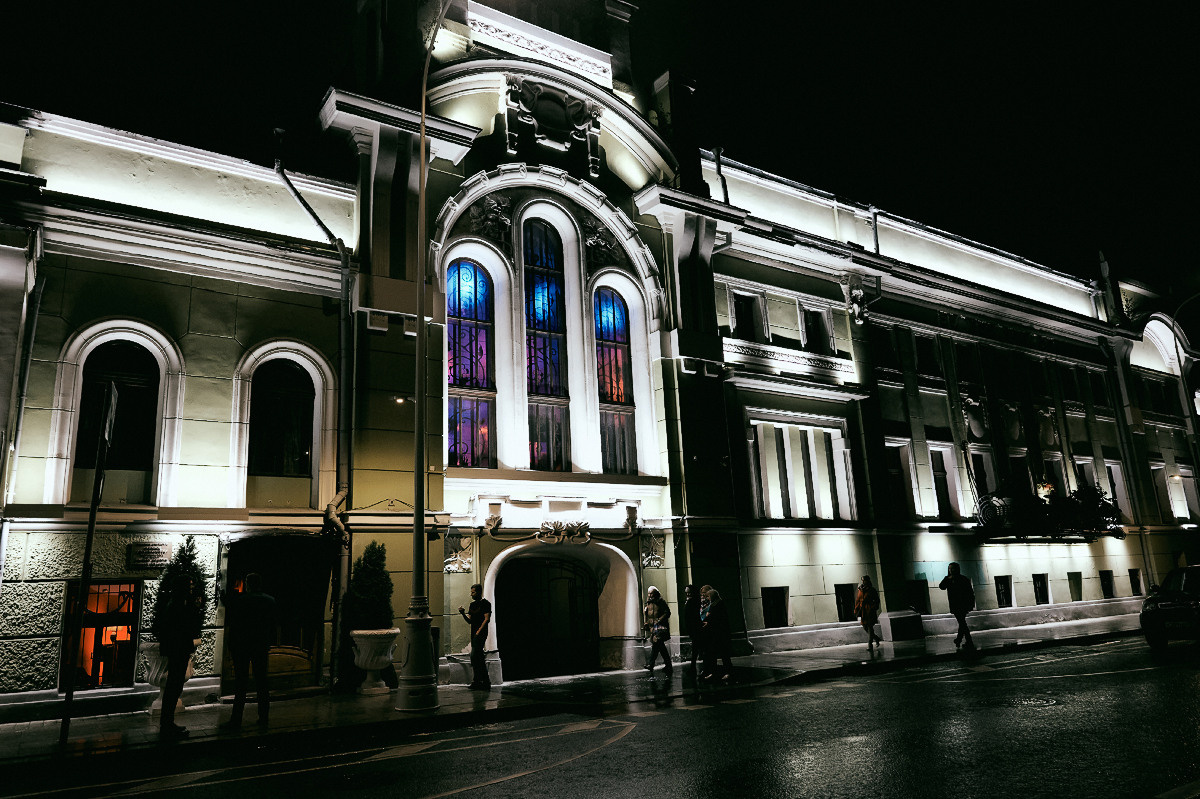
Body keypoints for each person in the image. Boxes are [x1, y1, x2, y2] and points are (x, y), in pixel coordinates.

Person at [220, 572, 276, 730]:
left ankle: (236, 719)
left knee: (241, 684)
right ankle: (263, 717)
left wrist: (232, 646)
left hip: (243, 646)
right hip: (260, 646)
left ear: (248, 584)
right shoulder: (270, 601)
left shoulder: (241, 601)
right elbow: (272, 625)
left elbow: (235, 623)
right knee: (262, 683)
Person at [155, 574, 202, 740]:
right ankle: (167, 725)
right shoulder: (177, 604)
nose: (191, 587)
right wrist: (195, 609)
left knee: (174, 687)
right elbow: (184, 627)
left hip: (177, 649)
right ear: (182, 587)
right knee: (174, 686)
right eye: (189, 585)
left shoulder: (177, 603)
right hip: (178, 649)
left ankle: (168, 723)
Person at [458, 584, 492, 689]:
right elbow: (470, 621)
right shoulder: (472, 605)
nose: (471, 594)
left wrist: (478, 631)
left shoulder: (486, 604)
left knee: (475, 656)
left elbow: (487, 619)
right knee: (478, 657)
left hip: (480, 633)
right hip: (474, 633)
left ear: (479, 592)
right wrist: (463, 613)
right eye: (471, 592)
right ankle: (484, 681)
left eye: (473, 592)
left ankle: (478, 681)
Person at [940, 562, 976, 649]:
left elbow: (970, 593)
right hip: (955, 605)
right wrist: (947, 578)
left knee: (962, 623)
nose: (951, 570)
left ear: (957, 569)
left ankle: (968, 641)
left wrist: (971, 604)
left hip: (963, 605)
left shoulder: (963, 579)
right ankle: (959, 640)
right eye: (949, 569)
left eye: (952, 568)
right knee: (962, 623)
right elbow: (941, 586)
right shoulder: (948, 579)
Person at [701, 588, 732, 681]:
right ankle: (714, 673)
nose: (708, 598)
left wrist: (708, 621)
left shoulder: (718, 605)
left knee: (724, 655)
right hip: (716, 634)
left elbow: (719, 619)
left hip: (720, 634)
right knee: (716, 654)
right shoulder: (715, 604)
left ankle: (728, 672)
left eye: (709, 596)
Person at [643, 586, 672, 674]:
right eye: (649, 593)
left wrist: (660, 620)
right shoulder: (648, 603)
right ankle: (668, 665)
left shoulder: (660, 602)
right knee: (660, 647)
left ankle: (651, 665)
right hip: (653, 627)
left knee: (656, 645)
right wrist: (647, 622)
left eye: (651, 593)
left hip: (660, 627)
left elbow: (667, 612)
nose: (650, 595)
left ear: (655, 593)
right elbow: (649, 615)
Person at [855, 575, 883, 651]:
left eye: (864, 580)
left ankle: (870, 644)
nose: (863, 582)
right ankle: (876, 638)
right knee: (865, 627)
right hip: (863, 611)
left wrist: (873, 607)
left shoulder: (872, 590)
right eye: (862, 580)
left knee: (870, 627)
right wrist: (856, 610)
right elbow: (858, 600)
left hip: (869, 611)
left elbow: (877, 600)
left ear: (868, 581)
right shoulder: (860, 590)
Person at [683, 584, 702, 670]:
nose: (688, 594)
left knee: (696, 647)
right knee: (696, 646)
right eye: (686, 593)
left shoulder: (693, 601)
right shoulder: (690, 601)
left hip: (695, 627)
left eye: (689, 592)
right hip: (693, 627)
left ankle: (693, 665)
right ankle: (693, 665)